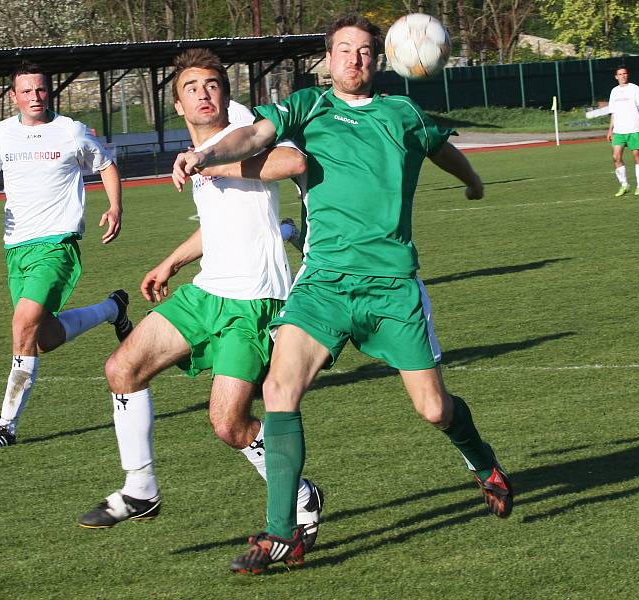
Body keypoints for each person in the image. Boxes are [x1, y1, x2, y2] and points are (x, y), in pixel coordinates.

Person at [172, 14, 514, 574]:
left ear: (378, 61)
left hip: (391, 286)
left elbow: (439, 147)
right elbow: (256, 134)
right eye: (344, 51)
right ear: (327, 60)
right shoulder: (307, 106)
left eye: (364, 53)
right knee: (280, 388)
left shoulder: (402, 113)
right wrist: (207, 154)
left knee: (433, 410)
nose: (354, 60)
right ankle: (283, 533)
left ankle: (484, 465)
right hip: (325, 282)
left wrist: (472, 181)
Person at [78, 49, 324, 551]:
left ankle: (301, 494)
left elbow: (293, 160)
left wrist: (217, 161)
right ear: (178, 103)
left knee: (229, 425)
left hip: (254, 300)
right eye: (192, 88)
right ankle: (141, 489)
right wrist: (171, 262)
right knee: (122, 369)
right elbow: (219, 226)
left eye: (213, 84)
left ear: (226, 93)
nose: (204, 93)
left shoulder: (240, 126)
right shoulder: (196, 148)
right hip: (208, 291)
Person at [0, 62, 132, 450]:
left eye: (40, 90)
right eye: (27, 91)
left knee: (22, 322)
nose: (35, 97)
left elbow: (106, 165)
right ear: (14, 96)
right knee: (41, 338)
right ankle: (112, 309)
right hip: (16, 247)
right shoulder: (0, 135)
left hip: (56, 245)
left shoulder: (70, 131)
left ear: (49, 91)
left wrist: (115, 207)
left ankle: (6, 425)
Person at [606, 66, 639, 197]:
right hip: (619, 130)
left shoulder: (634, 88)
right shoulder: (614, 91)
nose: (623, 76)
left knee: (637, 156)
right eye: (620, 74)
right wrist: (610, 130)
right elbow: (613, 112)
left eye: (625, 73)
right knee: (616, 157)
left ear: (627, 75)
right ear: (616, 77)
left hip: (634, 128)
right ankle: (624, 185)